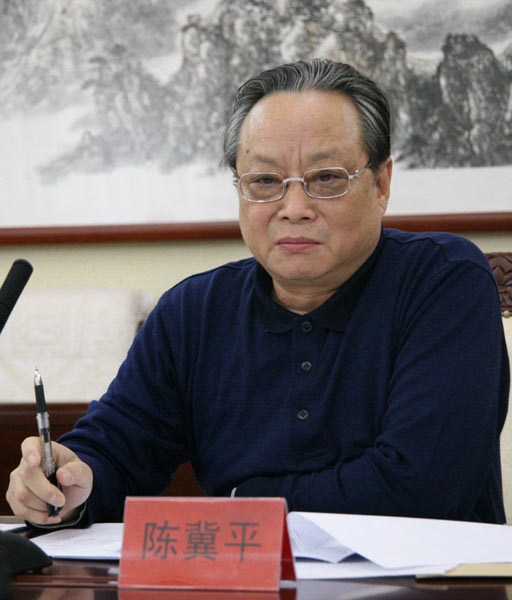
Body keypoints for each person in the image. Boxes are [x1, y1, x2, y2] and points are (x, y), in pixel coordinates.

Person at [7, 59, 509, 527]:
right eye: (266, 180)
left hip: (424, 579)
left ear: (381, 183)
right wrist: (69, 483)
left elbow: (419, 489)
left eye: (326, 178)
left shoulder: (444, 280)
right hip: (243, 575)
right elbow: (115, 450)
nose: (294, 207)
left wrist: (238, 500)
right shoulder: (193, 312)